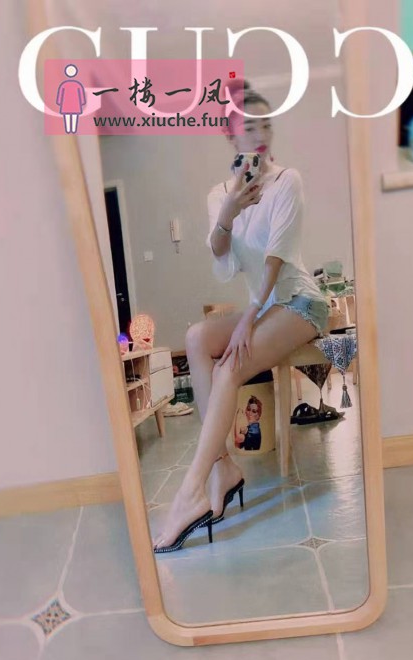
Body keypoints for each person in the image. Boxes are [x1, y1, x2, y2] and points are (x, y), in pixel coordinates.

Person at [153, 80, 330, 553]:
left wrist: (249, 317)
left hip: (300, 303)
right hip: (266, 306)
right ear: (229, 134)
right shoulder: (220, 194)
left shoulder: (287, 181)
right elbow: (220, 253)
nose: (260, 135)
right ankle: (223, 468)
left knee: (229, 366)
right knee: (196, 338)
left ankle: (190, 492)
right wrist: (229, 210)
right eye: (249, 127)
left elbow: (275, 258)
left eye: (265, 125)